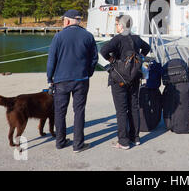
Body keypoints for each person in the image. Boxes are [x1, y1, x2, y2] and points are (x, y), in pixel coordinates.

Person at [46, 9, 98, 153]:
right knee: (79, 111)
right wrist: (88, 73)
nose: (63, 23)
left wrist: (50, 78)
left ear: (68, 21)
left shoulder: (58, 36)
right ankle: (78, 144)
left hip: (61, 80)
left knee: (60, 111)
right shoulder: (88, 36)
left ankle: (60, 141)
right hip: (81, 79)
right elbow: (94, 58)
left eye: (63, 20)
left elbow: (51, 60)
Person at [100, 15, 150, 150]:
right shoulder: (136, 38)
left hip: (119, 78)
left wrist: (112, 61)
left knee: (121, 110)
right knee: (134, 107)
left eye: (117, 24)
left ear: (121, 26)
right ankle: (136, 137)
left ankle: (123, 141)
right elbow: (147, 47)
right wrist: (140, 58)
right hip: (134, 77)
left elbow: (103, 51)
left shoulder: (117, 39)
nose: (116, 27)